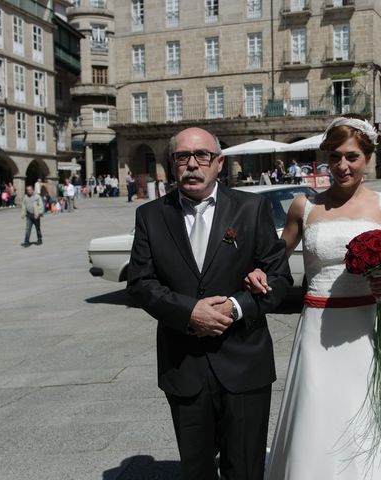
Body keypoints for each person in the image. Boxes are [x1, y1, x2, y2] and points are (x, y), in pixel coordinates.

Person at [246, 116, 381, 479]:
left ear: (367, 158)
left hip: (368, 323)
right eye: (334, 157)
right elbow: (277, 253)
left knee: (370, 406)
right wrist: (256, 269)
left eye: (352, 157)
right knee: (318, 407)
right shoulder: (305, 206)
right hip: (317, 324)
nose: (342, 166)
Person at [126, 127, 292, 480]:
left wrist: (235, 306)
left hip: (244, 363)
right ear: (172, 166)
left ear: (219, 163)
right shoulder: (151, 216)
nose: (192, 164)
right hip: (184, 366)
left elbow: (280, 281)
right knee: (196, 470)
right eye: (182, 157)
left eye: (201, 155)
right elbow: (140, 284)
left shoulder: (251, 208)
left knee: (245, 469)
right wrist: (189, 313)